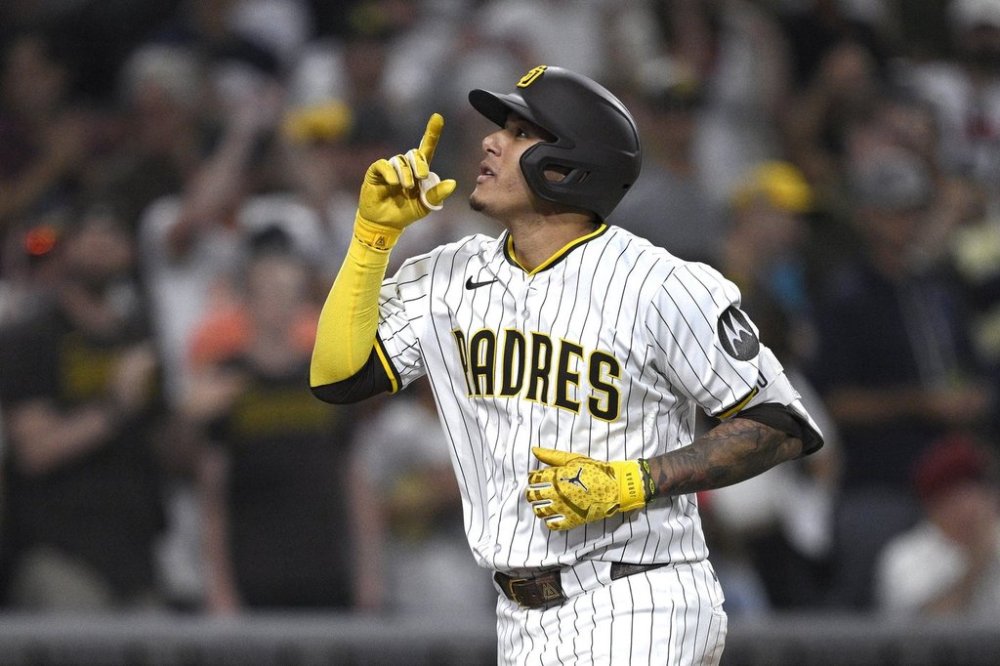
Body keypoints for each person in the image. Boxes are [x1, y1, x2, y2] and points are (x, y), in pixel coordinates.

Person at [310, 65, 824, 664]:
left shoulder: (659, 284)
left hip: (640, 595)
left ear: (569, 164)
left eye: (522, 132)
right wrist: (373, 237)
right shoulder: (448, 276)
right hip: (520, 615)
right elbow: (339, 377)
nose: (491, 140)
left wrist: (637, 479)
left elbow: (780, 425)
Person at [875, 433, 1000, 616]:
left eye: (975, 493)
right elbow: (918, 633)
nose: (969, 507)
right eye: (955, 499)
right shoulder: (905, 557)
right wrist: (977, 564)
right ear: (932, 507)